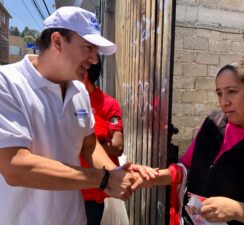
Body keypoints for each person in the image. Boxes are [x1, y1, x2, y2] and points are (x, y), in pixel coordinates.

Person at [0, 6, 157, 225]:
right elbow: (15, 166)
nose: (94, 59)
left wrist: (117, 173)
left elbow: (89, 145)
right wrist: (103, 180)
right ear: (57, 41)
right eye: (88, 48)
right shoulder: (7, 83)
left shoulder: (79, 90)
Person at [140, 60, 244, 225]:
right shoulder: (213, 124)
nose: (224, 102)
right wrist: (151, 177)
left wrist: (239, 211)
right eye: (219, 93)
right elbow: (186, 167)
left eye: (232, 91)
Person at [80, 60, 125, 225]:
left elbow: (117, 147)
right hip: (67, 186)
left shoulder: (108, 104)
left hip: (92, 190)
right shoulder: (68, 99)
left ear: (84, 74)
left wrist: (88, 140)